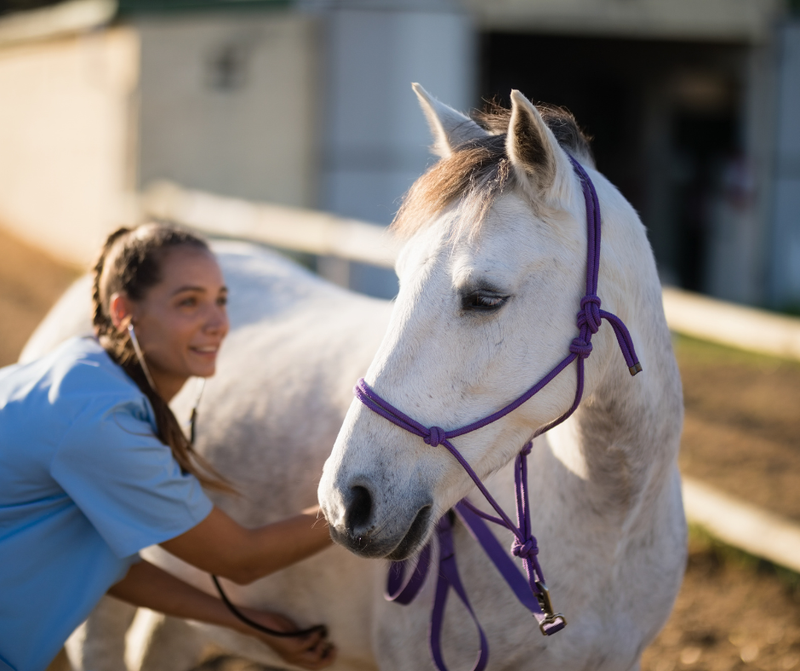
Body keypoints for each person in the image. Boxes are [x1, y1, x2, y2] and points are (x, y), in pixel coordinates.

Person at [0, 223, 336, 671]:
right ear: (124, 312)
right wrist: (361, 500)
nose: (218, 323)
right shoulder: (97, 422)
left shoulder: (84, 377)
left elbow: (107, 567)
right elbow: (240, 558)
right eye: (188, 302)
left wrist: (249, 624)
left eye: (221, 300)